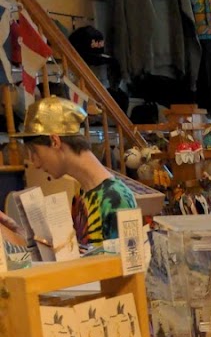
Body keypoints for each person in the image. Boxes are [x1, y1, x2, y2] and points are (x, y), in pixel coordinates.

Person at [19, 97, 137, 247]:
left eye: (35, 152)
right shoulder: (81, 194)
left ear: (55, 141)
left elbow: (130, 268)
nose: (35, 163)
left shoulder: (116, 199)